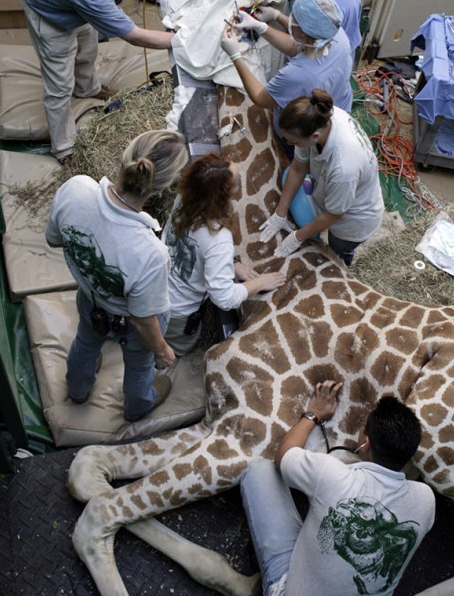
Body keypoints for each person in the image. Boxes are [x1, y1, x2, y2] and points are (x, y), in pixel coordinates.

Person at [21, 0, 212, 163]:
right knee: (59, 84)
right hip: (50, 12)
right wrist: (188, 41)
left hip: (72, 0)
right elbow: (133, 35)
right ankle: (63, 147)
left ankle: (88, 89)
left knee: (87, 47)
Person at [45, 129, 189, 422]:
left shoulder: (75, 188)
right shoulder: (151, 253)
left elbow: (54, 239)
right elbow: (142, 319)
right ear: (161, 189)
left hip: (90, 301)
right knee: (140, 368)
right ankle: (138, 406)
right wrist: (162, 350)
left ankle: (78, 389)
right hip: (131, 325)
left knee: (84, 344)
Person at [240, 382, 436, 596]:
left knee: (259, 471)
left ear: (366, 442)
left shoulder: (332, 475)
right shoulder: (427, 500)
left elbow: (284, 454)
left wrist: (313, 413)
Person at [162, 153, 286, 355]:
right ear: (221, 196)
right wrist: (261, 282)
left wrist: (231, 264)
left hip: (156, 288)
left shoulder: (184, 197)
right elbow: (224, 298)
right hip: (178, 312)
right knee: (179, 349)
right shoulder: (218, 237)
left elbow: (193, 246)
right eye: (236, 183)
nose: (240, 184)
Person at [259, 90, 384, 264]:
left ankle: (344, 261)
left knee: (338, 250)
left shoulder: (344, 168)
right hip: (337, 194)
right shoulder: (318, 118)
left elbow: (334, 214)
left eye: (294, 142)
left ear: (314, 136)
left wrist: (297, 237)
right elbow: (297, 168)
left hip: (354, 220)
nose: (290, 145)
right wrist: (280, 213)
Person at [220, 0, 353, 144]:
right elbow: (295, 46)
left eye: (292, 19)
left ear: (303, 32)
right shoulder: (334, 32)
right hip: (340, 108)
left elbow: (260, 97)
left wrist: (235, 55)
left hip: (303, 131)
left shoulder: (297, 74)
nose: (288, 19)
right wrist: (260, 26)